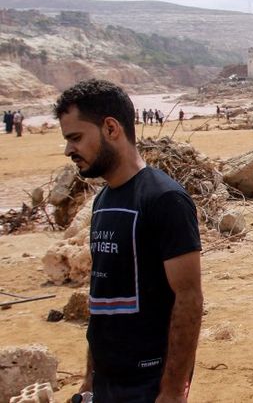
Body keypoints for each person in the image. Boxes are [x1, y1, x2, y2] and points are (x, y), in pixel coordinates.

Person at [54, 79, 202, 403]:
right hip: (107, 380)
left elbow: (189, 298)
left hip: (147, 383)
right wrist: (89, 378)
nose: (68, 150)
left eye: (75, 137)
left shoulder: (165, 199)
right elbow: (101, 295)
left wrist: (173, 391)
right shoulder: (102, 200)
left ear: (110, 128)